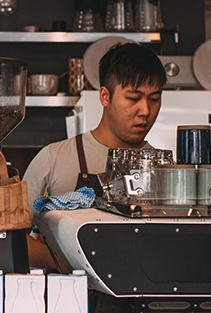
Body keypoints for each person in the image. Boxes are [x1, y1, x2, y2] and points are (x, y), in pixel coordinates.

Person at [23, 42, 167, 270]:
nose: (146, 110)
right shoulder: (53, 158)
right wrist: (64, 263)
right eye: (133, 98)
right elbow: (10, 236)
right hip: (71, 298)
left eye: (154, 98)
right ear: (105, 96)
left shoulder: (166, 170)